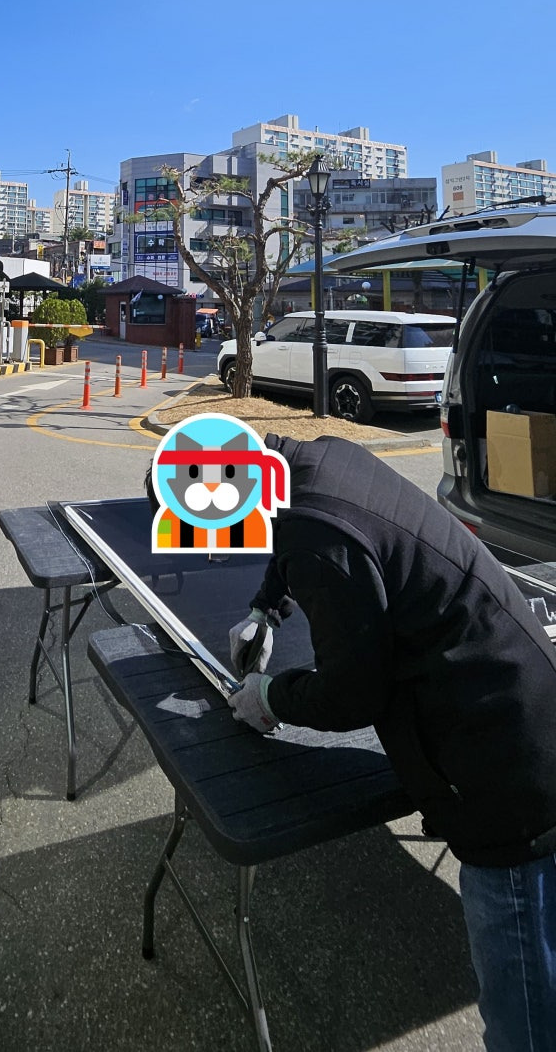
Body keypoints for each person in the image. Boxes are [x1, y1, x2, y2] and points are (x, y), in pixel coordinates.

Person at [227, 434, 556, 1052]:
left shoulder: (317, 541)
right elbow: (301, 530)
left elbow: (352, 695)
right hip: (525, 694)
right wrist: (265, 608)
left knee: (526, 1019)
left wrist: (270, 697)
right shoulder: (320, 458)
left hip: (499, 768)